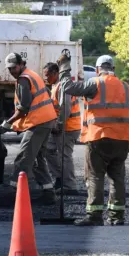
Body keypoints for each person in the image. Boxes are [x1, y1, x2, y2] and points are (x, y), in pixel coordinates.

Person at [56, 53, 129, 226]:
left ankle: (94, 216)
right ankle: (117, 216)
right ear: (113, 69)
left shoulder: (95, 83)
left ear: (98, 69)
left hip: (99, 138)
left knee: (95, 176)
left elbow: (67, 87)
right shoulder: (126, 87)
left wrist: (64, 66)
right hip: (122, 140)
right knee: (117, 177)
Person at [0, 52, 58, 206]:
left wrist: (6, 125)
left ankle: (13, 193)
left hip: (39, 123)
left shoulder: (24, 79)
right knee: (37, 158)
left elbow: (24, 108)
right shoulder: (31, 75)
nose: (12, 71)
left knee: (23, 157)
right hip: (46, 121)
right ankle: (48, 192)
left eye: (14, 68)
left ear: (21, 64)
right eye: (9, 69)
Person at [42, 62, 81, 194]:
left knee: (65, 156)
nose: (45, 78)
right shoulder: (55, 86)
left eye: (47, 75)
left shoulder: (62, 86)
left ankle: (70, 186)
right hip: (63, 126)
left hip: (68, 127)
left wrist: (59, 124)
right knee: (48, 149)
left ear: (55, 73)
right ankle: (60, 177)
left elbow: (66, 107)